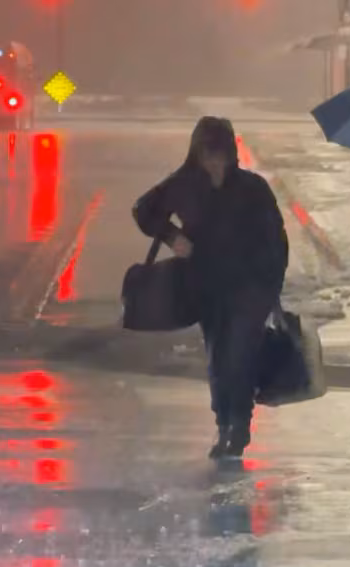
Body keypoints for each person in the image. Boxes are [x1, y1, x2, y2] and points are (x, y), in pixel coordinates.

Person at [133, 116, 289, 459]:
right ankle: (224, 425)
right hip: (206, 286)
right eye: (208, 156)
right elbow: (144, 210)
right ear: (197, 155)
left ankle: (240, 424)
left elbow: (275, 239)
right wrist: (172, 236)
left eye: (221, 155)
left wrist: (270, 283)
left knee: (240, 354)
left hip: (250, 286)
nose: (215, 163)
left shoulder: (252, 188)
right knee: (219, 358)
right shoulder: (184, 185)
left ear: (232, 154)